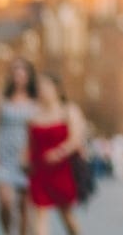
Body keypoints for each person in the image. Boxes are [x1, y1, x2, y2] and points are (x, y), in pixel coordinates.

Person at [27, 73, 82, 235]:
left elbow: (76, 139)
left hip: (62, 168)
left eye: (46, 86)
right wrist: (25, 161)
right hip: (39, 168)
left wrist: (59, 152)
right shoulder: (34, 114)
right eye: (39, 87)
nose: (42, 90)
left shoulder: (69, 110)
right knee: (40, 212)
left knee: (66, 214)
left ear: (56, 89)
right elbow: (29, 142)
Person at [0, 58, 38, 235]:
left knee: (25, 206)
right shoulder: (1, 98)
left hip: (26, 156)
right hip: (4, 155)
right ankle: (6, 232)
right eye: (14, 71)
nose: (18, 75)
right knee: (5, 202)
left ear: (28, 75)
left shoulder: (36, 100)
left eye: (22, 71)